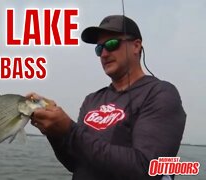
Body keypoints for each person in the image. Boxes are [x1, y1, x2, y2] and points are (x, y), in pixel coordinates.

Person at [28, 15, 186, 180]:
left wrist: (70, 130)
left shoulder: (160, 94)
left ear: (136, 46)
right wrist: (55, 132)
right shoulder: (92, 100)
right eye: (99, 48)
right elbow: (74, 163)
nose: (104, 54)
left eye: (112, 44)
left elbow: (146, 169)